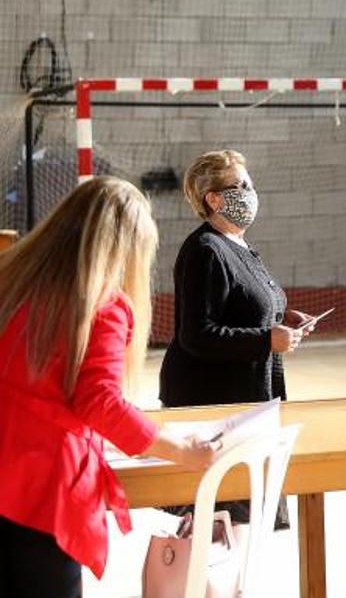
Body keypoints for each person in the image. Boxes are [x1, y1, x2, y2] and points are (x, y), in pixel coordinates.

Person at [0, 177, 217, 597]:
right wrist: (178, 448)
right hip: (44, 489)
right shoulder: (102, 304)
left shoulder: (13, 283)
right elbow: (99, 402)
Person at [159, 150, 312, 526]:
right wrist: (265, 340)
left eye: (251, 184)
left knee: (246, 524)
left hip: (249, 401)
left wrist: (282, 318)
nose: (251, 192)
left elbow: (245, 305)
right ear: (214, 198)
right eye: (241, 186)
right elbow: (196, 334)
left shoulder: (238, 245)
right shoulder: (205, 250)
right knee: (223, 527)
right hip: (216, 407)